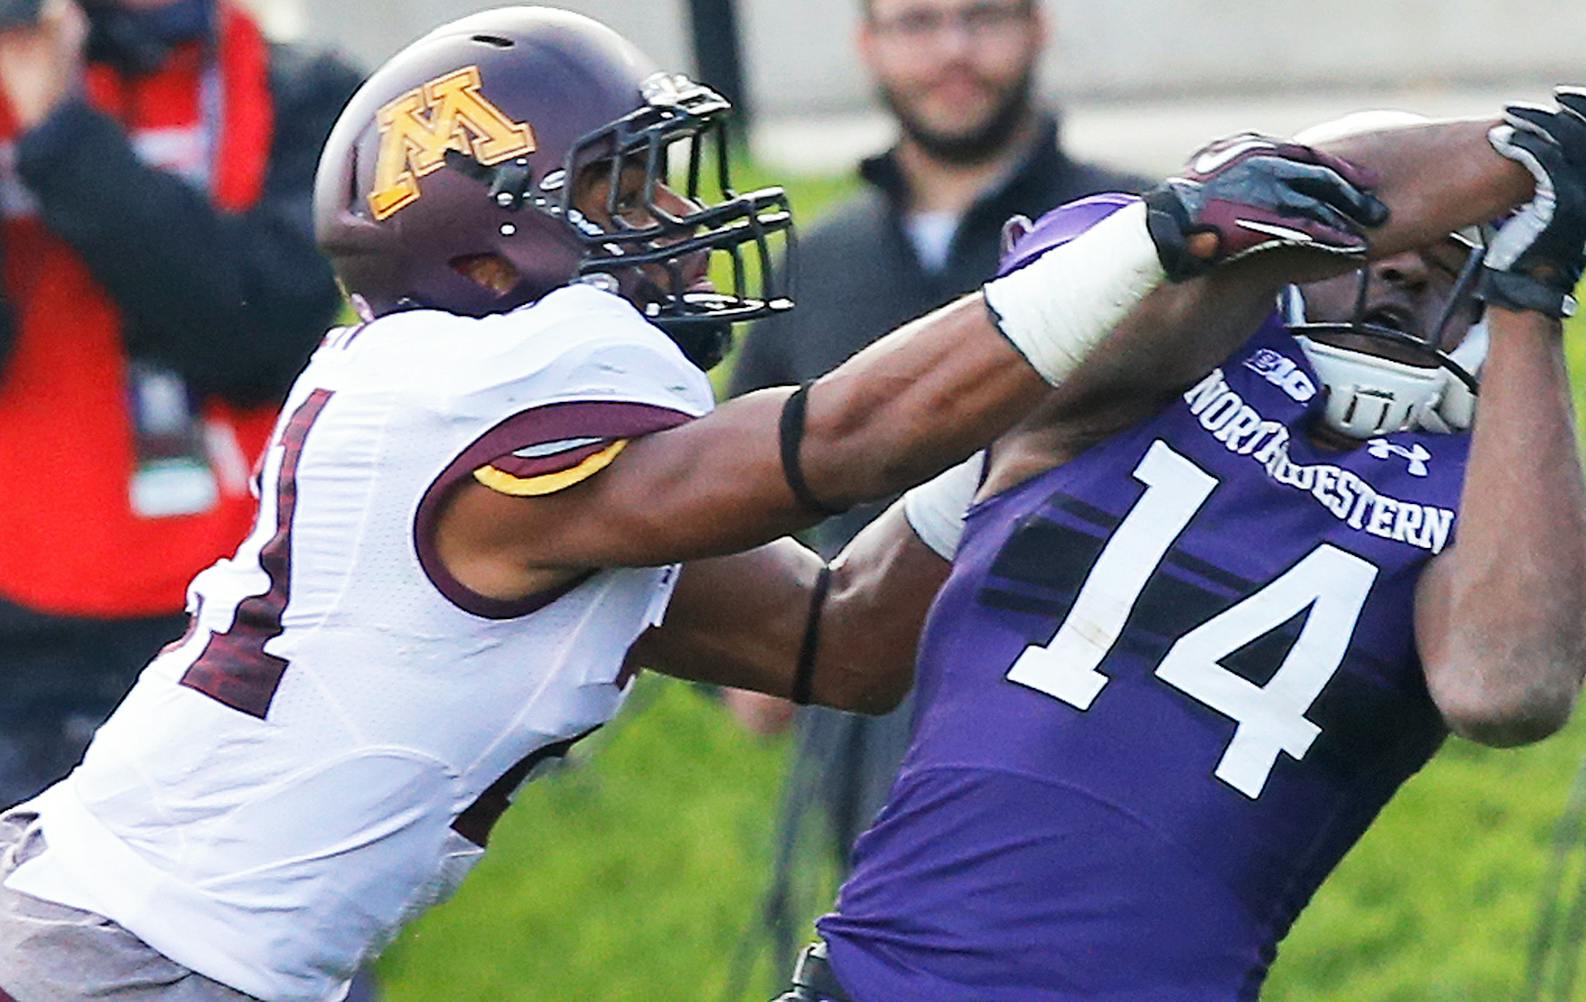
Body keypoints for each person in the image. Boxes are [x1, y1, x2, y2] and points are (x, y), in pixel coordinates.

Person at [0, 7, 1395, 1000]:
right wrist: (1143, 250)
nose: (673, 221)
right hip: (134, 958)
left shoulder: (524, 455)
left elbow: (840, 641)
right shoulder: (487, 405)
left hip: (178, 942)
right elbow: (834, 443)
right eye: (623, 188)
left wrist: (1035, 428)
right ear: (485, 254)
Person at [771, 82, 1586, 1002]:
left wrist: (1533, 287)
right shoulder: (1165, 316)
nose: (1409, 266)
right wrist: (1557, 147)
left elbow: (1507, 686)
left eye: (1460, 258)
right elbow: (1165, 276)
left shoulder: (1495, 492)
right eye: (1397, 237)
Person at [720, 0, 1145, 962]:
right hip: (870, 749)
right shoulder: (819, 262)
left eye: (983, 16)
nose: (954, 51)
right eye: (918, 21)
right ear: (866, 43)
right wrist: (751, 669)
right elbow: (734, 489)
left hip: (1094, 739)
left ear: (1038, 27)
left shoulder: (1135, 238)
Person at [0, 0, 358, 806]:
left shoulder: (297, 91)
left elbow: (258, 330)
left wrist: (62, 139)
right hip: (26, 631)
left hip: (246, 603)